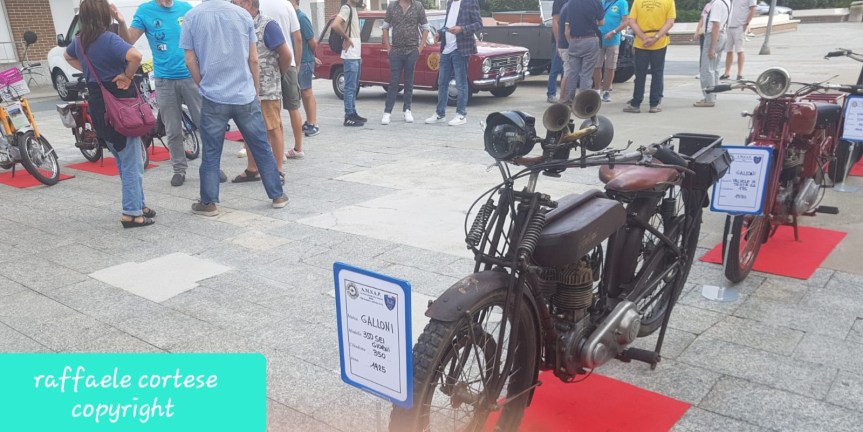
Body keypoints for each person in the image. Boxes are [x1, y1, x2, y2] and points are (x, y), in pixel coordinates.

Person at [180, 0, 288, 216]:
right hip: (244, 94)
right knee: (260, 147)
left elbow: (190, 59)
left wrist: (202, 83)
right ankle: (277, 195)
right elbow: (254, 59)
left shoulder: (192, 17)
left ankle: (209, 203)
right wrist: (255, 90)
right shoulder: (243, 15)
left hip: (213, 95)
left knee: (211, 152)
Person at [64, 0, 153, 228]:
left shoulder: (80, 41)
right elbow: (135, 56)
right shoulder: (108, 38)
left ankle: (138, 204)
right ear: (104, 14)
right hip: (118, 101)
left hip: (97, 101)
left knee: (122, 156)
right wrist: (127, 76)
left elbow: (67, 56)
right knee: (131, 160)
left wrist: (88, 69)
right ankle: (131, 212)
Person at [114, 0, 199, 187]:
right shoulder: (145, 10)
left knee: (205, 124)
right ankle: (179, 169)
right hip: (164, 79)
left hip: (191, 76)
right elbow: (128, 42)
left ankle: (213, 167)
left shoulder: (186, 9)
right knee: (172, 128)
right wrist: (120, 22)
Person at [231, 0, 293, 183]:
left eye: (235, 2)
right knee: (249, 129)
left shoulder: (268, 25)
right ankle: (253, 169)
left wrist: (275, 74)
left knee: (272, 128)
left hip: (267, 88)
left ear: (248, 3)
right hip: (244, 87)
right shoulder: (238, 24)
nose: (232, 5)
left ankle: (278, 170)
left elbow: (286, 55)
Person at [424, 0, 482, 126]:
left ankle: (461, 115)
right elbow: (447, 24)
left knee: (461, 84)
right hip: (446, 49)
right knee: (442, 83)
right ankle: (440, 114)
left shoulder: (470, 2)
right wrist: (440, 32)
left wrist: (462, 29)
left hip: (460, 49)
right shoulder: (450, 3)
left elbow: (478, 24)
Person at [259, 0, 305, 159]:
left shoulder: (259, 5)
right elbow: (297, 37)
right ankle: (298, 147)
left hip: (267, 65)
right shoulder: (286, 4)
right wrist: (297, 62)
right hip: (289, 61)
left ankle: (277, 151)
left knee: (272, 108)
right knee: (294, 107)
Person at [381, 0, 429, 125]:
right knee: (394, 83)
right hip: (396, 51)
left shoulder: (418, 6)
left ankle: (407, 109)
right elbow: (385, 27)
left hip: (412, 50)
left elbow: (426, 28)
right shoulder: (392, 6)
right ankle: (387, 112)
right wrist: (388, 47)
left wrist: (420, 48)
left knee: (409, 82)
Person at [623, 0, 676, 114]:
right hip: (660, 41)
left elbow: (632, 21)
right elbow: (670, 22)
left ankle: (636, 103)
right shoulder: (668, 2)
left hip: (641, 42)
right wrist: (655, 37)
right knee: (657, 73)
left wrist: (643, 37)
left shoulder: (638, 1)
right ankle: (654, 104)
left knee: (640, 73)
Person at [332, 0, 366, 126]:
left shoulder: (353, 8)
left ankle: (353, 112)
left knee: (354, 85)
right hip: (350, 54)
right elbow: (335, 25)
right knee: (350, 87)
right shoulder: (346, 8)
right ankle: (349, 115)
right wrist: (346, 38)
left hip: (355, 54)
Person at [290, 0, 320, 137]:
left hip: (305, 61)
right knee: (303, 93)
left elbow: (312, 41)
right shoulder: (291, 16)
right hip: (297, 60)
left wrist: (312, 57)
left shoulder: (301, 17)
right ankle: (308, 121)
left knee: (307, 92)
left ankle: (313, 123)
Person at [562, 0, 603, 102]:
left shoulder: (571, 3)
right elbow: (602, 22)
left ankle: (569, 101)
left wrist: (571, 42)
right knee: (586, 74)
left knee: (573, 73)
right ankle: (582, 102)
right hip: (590, 39)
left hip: (574, 41)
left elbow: (567, 30)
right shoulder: (596, 2)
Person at [695, 0, 729, 107]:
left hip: (713, 36)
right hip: (722, 35)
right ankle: (712, 96)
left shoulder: (717, 3)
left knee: (707, 69)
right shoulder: (726, 2)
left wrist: (712, 48)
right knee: (715, 69)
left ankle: (708, 98)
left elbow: (715, 26)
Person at [593, 0, 628, 103]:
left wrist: (613, 32)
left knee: (610, 67)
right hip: (598, 38)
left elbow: (626, 22)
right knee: (596, 66)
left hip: (613, 40)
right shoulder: (600, 1)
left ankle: (606, 91)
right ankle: (597, 90)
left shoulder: (622, 2)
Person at [722, 0, 756, 80]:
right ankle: (727, 73)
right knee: (728, 50)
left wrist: (746, 23)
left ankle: (739, 73)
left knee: (739, 50)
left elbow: (753, 9)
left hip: (740, 26)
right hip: (729, 25)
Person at [553, 0, 571, 103]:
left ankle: (563, 97)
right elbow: (566, 30)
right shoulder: (567, 5)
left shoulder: (566, 5)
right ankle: (562, 98)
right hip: (565, 44)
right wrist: (557, 41)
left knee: (566, 71)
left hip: (563, 43)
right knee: (564, 71)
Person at [691, 0, 713, 79]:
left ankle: (709, 71)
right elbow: (702, 19)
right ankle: (702, 72)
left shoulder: (717, 5)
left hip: (711, 33)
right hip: (704, 33)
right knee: (703, 53)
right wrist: (697, 31)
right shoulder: (708, 5)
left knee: (711, 53)